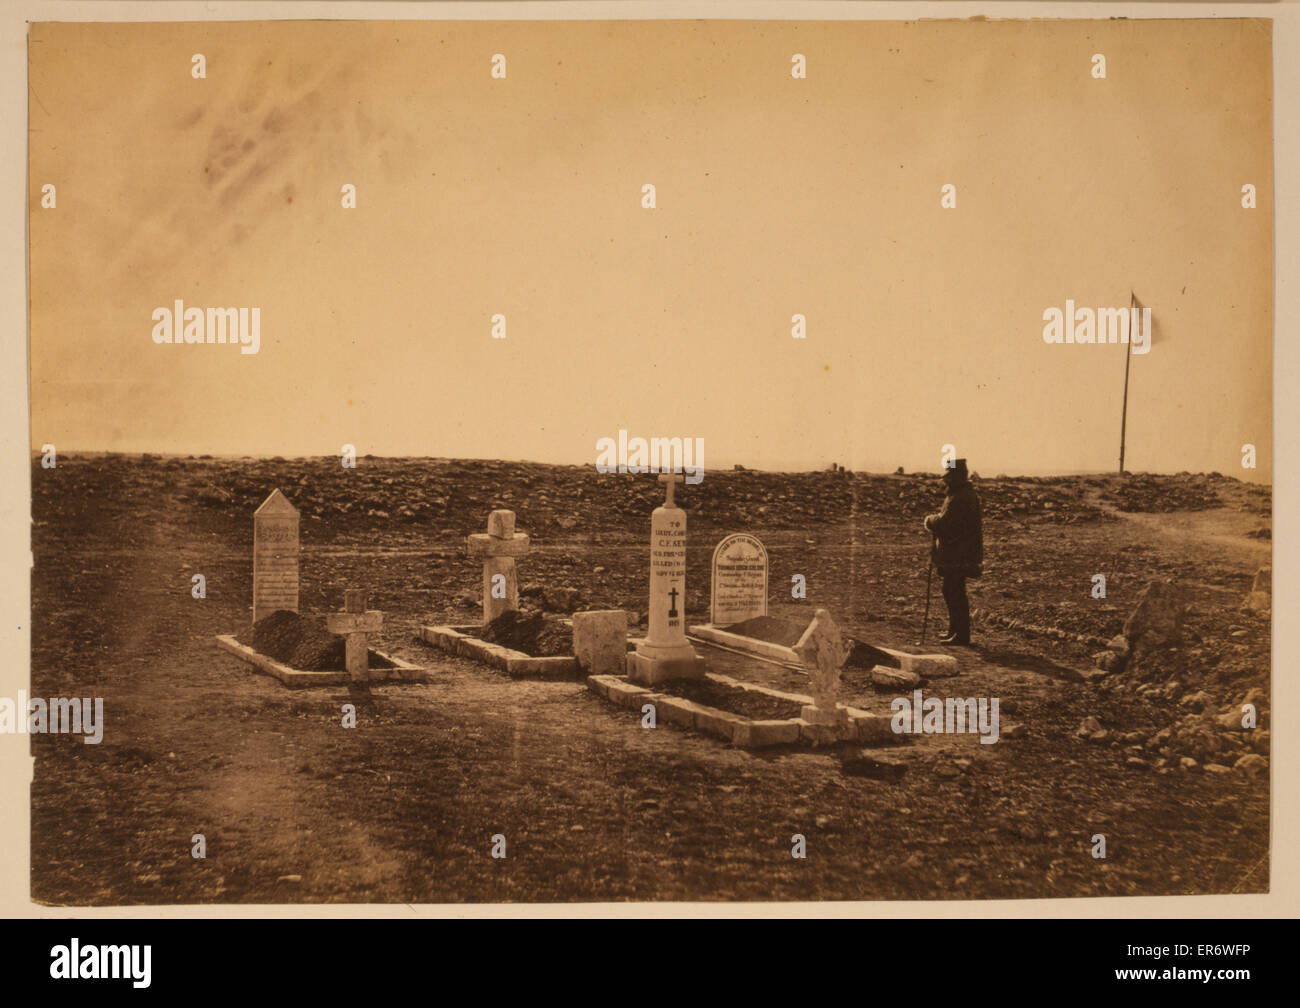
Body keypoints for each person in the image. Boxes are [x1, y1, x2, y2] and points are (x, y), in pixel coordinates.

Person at [923, 459, 983, 646]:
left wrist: (930, 521)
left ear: (957, 477)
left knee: (953, 591)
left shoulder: (959, 497)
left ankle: (960, 635)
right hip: (960, 553)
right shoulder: (962, 494)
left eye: (949, 477)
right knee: (953, 590)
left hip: (959, 554)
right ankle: (955, 631)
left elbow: (946, 524)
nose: (946, 481)